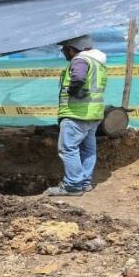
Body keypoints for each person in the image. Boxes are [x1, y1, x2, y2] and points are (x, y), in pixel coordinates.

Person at [43, 34, 107, 197]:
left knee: (68, 149)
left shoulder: (80, 60)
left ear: (73, 49)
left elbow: (78, 78)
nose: (63, 52)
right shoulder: (97, 62)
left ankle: (73, 186)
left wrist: (73, 91)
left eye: (65, 49)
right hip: (93, 114)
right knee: (88, 149)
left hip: (76, 114)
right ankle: (85, 182)